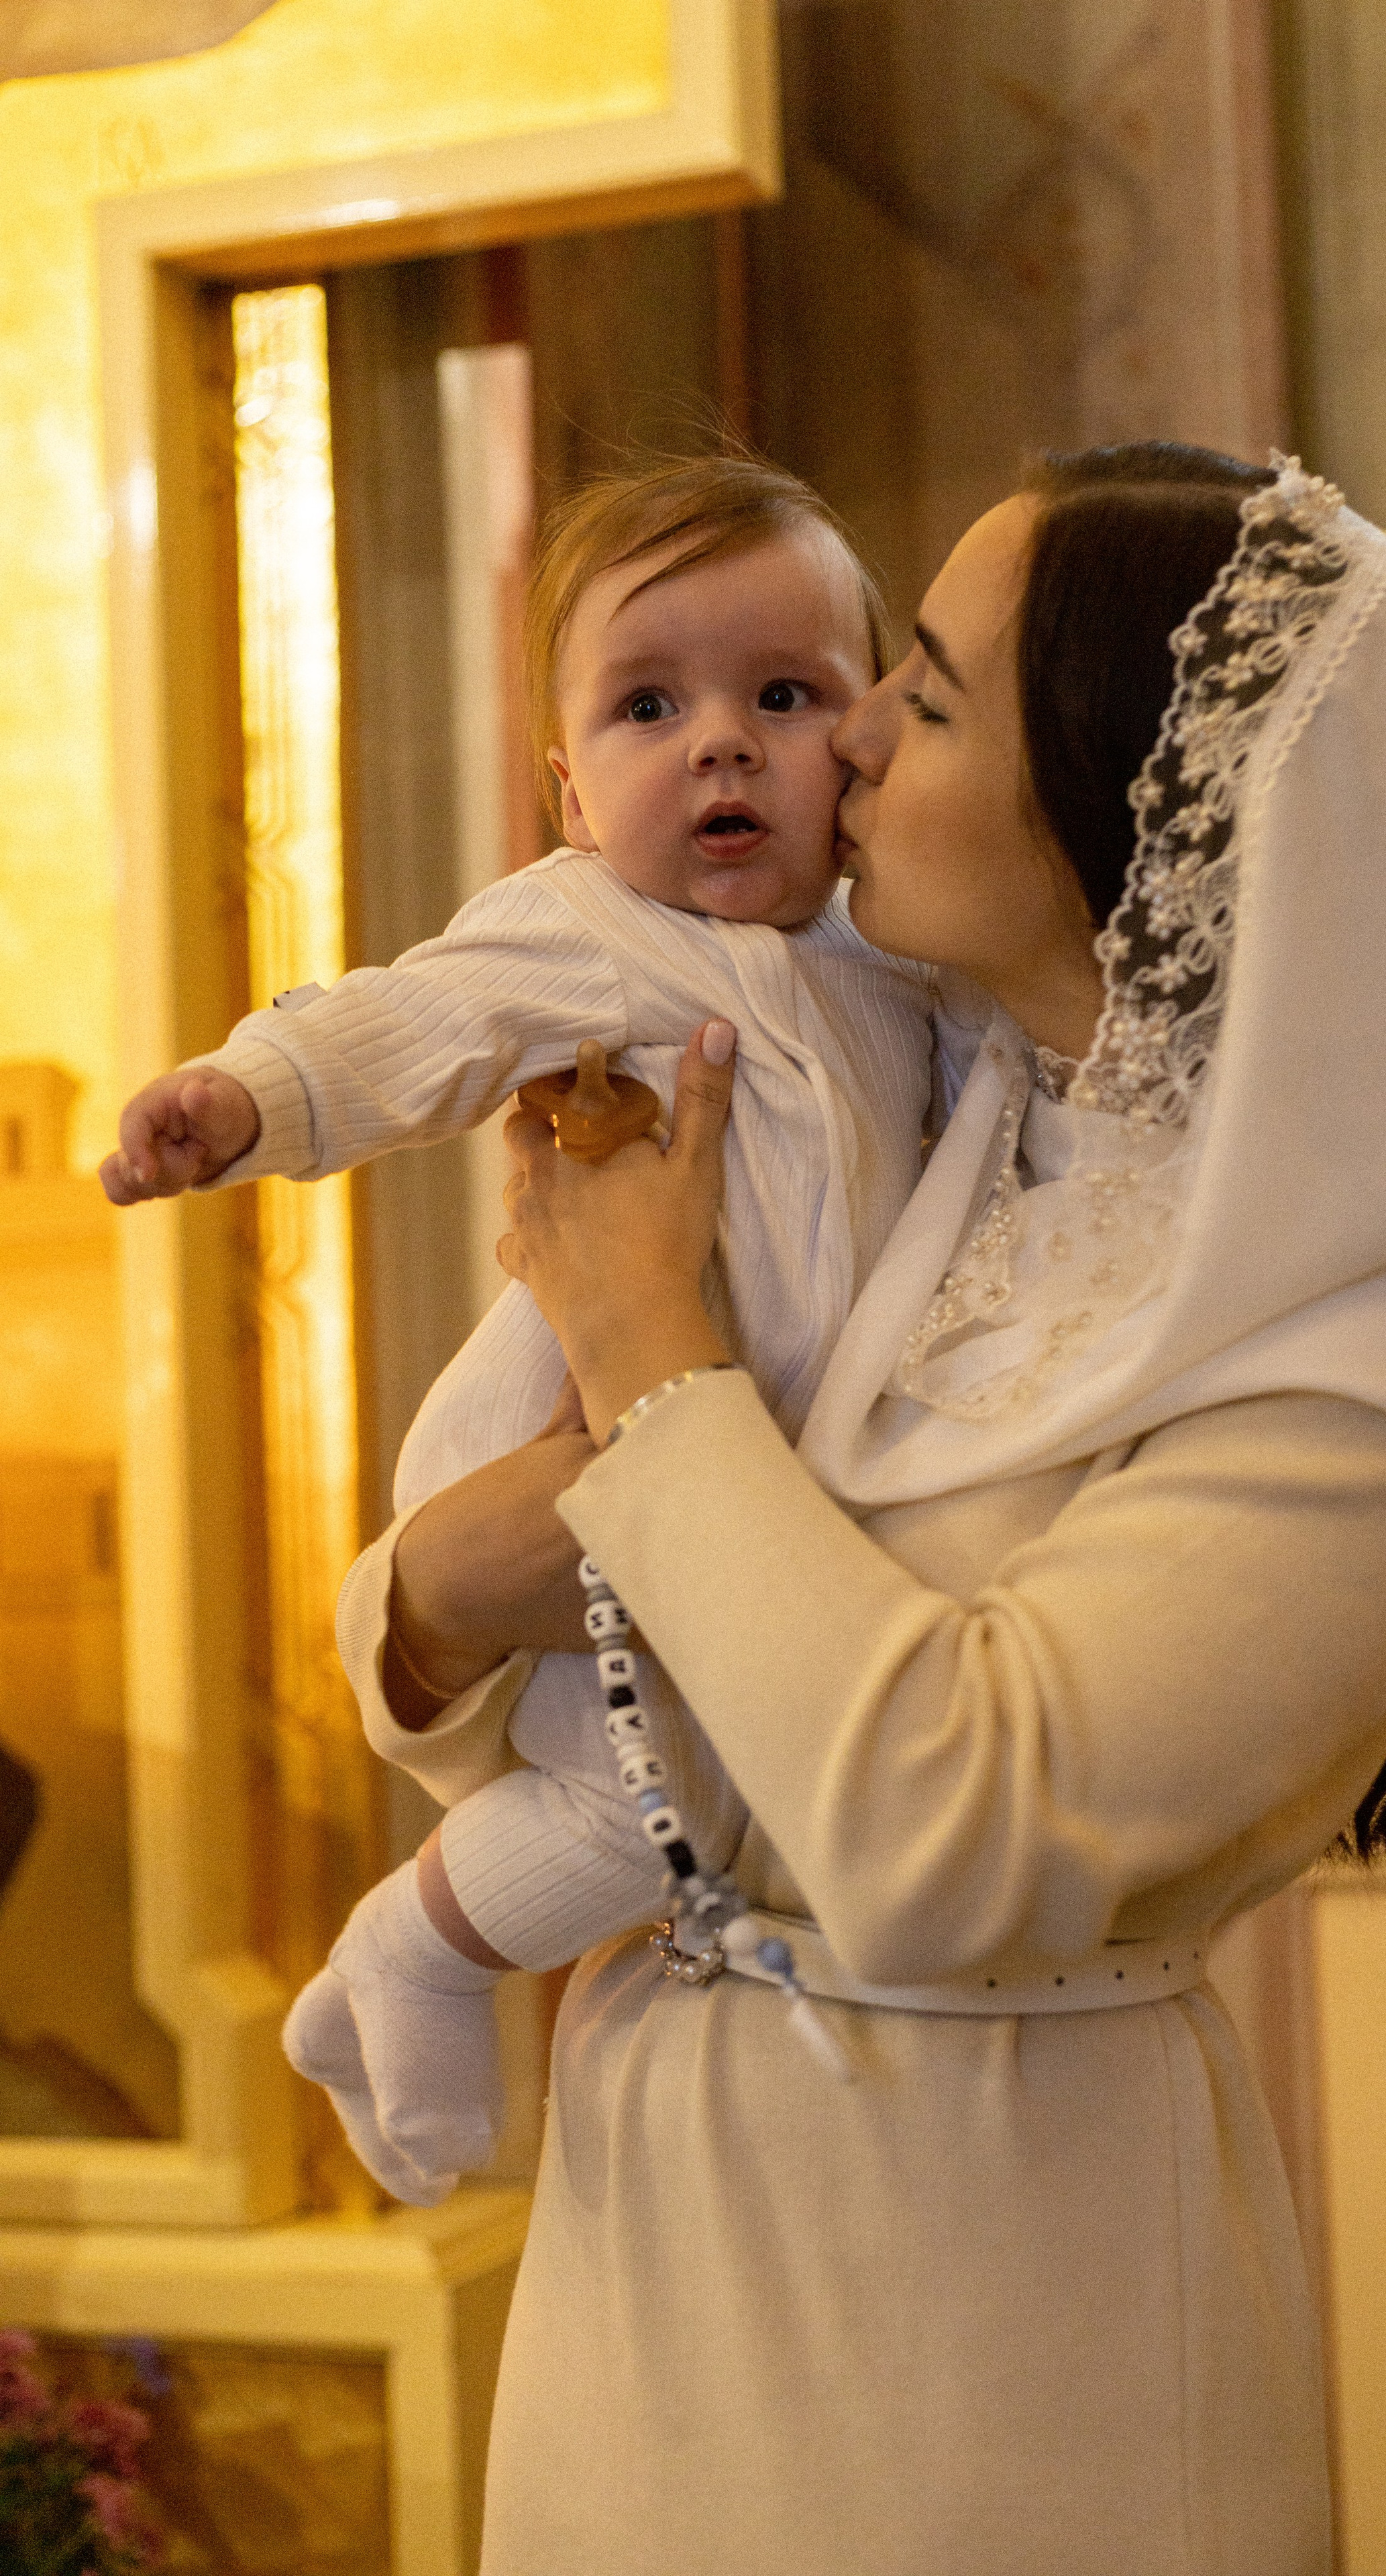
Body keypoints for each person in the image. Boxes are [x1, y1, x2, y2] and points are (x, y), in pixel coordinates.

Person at [330, 443, 1386, 2573]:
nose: (838, 735)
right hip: (652, 2207)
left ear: (1117, 806)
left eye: (921, 696)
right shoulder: (937, 1117)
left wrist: (649, 1341)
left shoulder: (1381, 1357)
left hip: (989, 2279)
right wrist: (426, 1607)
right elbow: (569, 1656)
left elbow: (962, 1831)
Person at [97, 453, 947, 2200]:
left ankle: (407, 1955)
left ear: (867, 741)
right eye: (652, 704)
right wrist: (250, 1096)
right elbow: (425, 1021)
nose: (720, 742)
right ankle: (415, 1952)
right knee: (670, 1800)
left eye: (783, 696)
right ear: (571, 790)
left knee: (706, 1793)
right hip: (553, 1445)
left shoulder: (908, 966)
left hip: (735, 1479)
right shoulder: (590, 931)